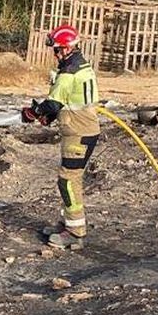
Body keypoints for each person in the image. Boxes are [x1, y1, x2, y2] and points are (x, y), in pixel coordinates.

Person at [22, 24, 101, 249]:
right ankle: (69, 224)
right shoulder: (82, 66)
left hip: (79, 132)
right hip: (82, 129)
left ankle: (75, 232)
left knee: (68, 179)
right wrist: (49, 116)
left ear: (66, 49)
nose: (54, 54)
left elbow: (54, 103)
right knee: (68, 178)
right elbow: (66, 102)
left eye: (56, 50)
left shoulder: (68, 73)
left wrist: (33, 113)